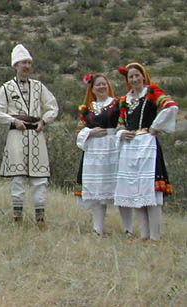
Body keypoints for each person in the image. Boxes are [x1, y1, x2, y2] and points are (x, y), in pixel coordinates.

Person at [0, 44, 59, 225]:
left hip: (36, 135)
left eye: (29, 63)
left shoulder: (39, 86)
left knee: (40, 179)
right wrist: (13, 121)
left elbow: (53, 106)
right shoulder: (6, 88)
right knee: (18, 178)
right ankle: (18, 220)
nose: (27, 66)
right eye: (23, 63)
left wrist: (44, 120)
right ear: (16, 65)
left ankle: (40, 220)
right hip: (17, 136)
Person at [115, 62, 178, 241]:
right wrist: (121, 132)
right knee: (135, 191)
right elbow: (120, 123)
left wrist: (156, 127)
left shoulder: (151, 93)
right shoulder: (124, 100)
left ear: (143, 76)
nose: (134, 79)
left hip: (147, 145)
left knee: (150, 190)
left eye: (137, 75)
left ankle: (155, 237)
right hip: (130, 146)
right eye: (131, 77)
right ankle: (144, 235)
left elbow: (171, 106)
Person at [74, 73, 133, 236]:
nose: (101, 87)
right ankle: (97, 229)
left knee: (120, 189)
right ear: (92, 89)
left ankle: (129, 229)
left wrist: (119, 134)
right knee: (98, 192)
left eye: (104, 84)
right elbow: (79, 131)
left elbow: (124, 123)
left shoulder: (117, 104)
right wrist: (90, 132)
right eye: (98, 85)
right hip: (94, 152)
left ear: (109, 86)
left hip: (113, 148)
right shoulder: (87, 109)